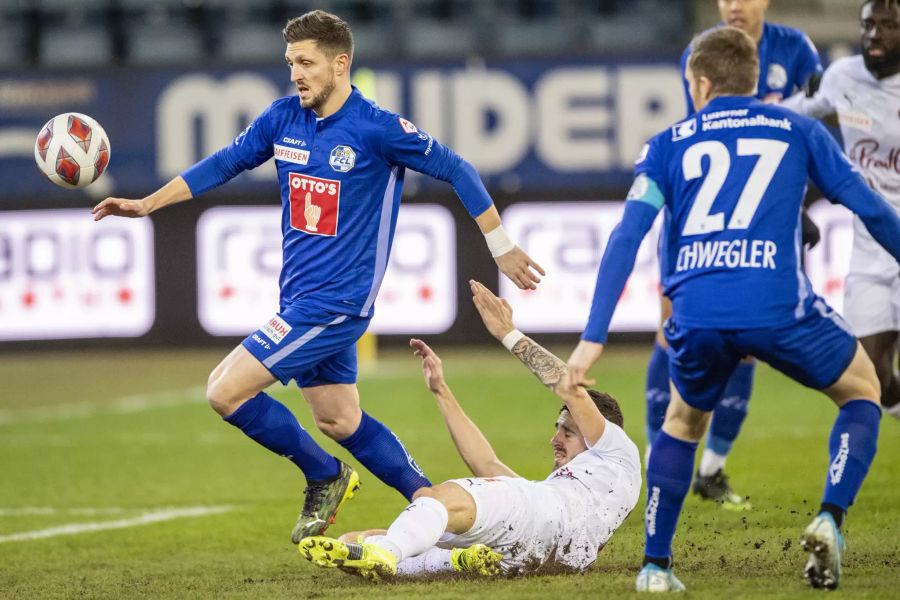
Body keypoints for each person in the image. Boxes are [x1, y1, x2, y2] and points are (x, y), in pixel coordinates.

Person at [91, 10, 544, 544]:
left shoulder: (377, 128)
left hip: (335, 305)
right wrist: (148, 203)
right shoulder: (282, 119)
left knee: (224, 391)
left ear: (340, 63)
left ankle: (325, 475)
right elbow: (224, 163)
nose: (296, 74)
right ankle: (434, 505)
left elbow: (458, 169)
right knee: (338, 419)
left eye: (306, 63)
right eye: (290, 63)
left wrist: (501, 245)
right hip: (300, 300)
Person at [566, 27, 900, 592]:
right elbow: (867, 204)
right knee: (863, 390)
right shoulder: (798, 128)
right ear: (754, 80)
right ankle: (830, 518)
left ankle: (655, 567)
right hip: (777, 304)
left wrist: (593, 335)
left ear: (700, 83)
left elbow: (629, 233)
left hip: (695, 311)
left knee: (682, 422)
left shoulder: (667, 143)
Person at [297, 280, 641, 578]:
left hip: (542, 526)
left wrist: (508, 333)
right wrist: (441, 392)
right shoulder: (575, 489)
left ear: (599, 427)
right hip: (543, 556)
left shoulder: (616, 449)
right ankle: (449, 559)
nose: (554, 439)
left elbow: (569, 386)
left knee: (436, 500)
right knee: (357, 540)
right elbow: (488, 466)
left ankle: (389, 553)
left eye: (567, 431)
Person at [643, 0, 826, 508]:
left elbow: (816, 124)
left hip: (765, 214)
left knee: (746, 342)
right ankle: (653, 455)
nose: (733, 5)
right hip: (706, 208)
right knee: (671, 324)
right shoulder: (706, 51)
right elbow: (707, 132)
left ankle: (711, 470)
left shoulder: (796, 50)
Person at [782, 0, 900, 419]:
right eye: (869, 24)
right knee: (874, 382)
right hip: (871, 251)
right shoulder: (841, 76)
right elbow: (788, 118)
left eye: (888, 25)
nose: (875, 34)